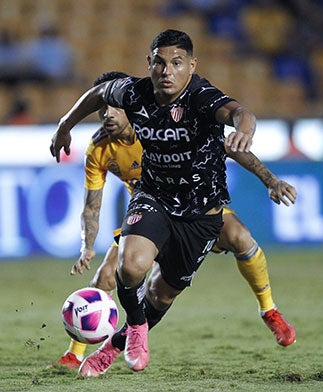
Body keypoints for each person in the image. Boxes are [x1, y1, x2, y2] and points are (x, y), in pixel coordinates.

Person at [50, 29, 265, 376]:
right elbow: (97, 93)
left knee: (161, 296)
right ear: (149, 64)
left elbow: (240, 112)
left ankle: (113, 347)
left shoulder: (201, 98)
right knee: (129, 267)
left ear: (191, 66)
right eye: (160, 63)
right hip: (154, 198)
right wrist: (65, 123)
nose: (167, 71)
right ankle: (135, 329)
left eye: (177, 64)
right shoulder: (134, 94)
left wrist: (246, 129)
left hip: (201, 212)